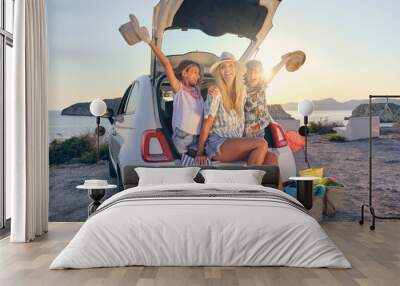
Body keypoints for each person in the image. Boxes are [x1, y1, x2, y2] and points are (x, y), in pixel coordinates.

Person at [128, 15, 206, 162]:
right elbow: (166, 64)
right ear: (184, 73)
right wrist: (149, 41)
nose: (198, 75)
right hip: (182, 137)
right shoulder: (179, 88)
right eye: (194, 72)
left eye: (199, 73)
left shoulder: (198, 91)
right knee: (182, 166)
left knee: (198, 166)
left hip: (197, 137)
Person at [195, 52, 269, 165]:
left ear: (236, 69)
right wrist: (200, 153)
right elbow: (206, 125)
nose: (227, 70)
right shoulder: (216, 93)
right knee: (262, 143)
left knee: (272, 158)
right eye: (223, 67)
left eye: (230, 65)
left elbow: (259, 84)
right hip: (219, 143)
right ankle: (248, 181)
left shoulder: (242, 91)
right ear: (219, 71)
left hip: (236, 142)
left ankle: (279, 183)